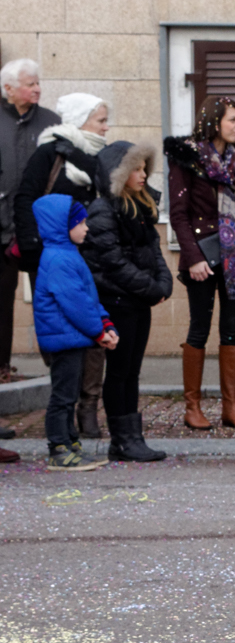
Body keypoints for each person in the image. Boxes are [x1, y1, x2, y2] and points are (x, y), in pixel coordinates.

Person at [164, 97, 235, 432]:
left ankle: (231, 407)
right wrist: (193, 258)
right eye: (232, 120)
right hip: (202, 258)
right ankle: (193, 407)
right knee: (199, 329)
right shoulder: (186, 159)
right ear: (214, 121)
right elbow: (178, 215)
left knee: (232, 330)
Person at [15, 92, 113, 438]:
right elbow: (26, 198)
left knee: (92, 328)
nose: (106, 125)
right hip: (52, 257)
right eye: (100, 119)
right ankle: (64, 406)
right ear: (79, 119)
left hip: (92, 255)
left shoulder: (101, 155)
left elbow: (109, 197)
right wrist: (37, 250)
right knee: (59, 333)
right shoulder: (51, 151)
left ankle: (88, 409)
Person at [82, 143, 171, 462]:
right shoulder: (103, 210)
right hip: (117, 301)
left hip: (137, 300)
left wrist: (163, 284)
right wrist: (150, 288)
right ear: (118, 175)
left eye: (144, 168)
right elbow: (113, 262)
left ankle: (131, 437)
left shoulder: (141, 205)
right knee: (120, 372)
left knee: (131, 371)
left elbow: (154, 251)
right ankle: (122, 439)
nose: (143, 174)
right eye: (136, 169)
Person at [31, 193, 117, 468]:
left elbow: (88, 297)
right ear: (61, 226)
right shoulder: (59, 258)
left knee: (69, 394)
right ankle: (59, 448)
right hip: (63, 338)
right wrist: (98, 331)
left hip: (72, 337)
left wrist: (105, 324)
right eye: (80, 223)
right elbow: (75, 304)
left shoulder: (68, 254)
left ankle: (70, 444)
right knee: (63, 396)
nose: (86, 228)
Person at [1, 58, 59, 381]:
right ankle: (1, 368)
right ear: (8, 89)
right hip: (2, 229)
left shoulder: (52, 122)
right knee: (1, 302)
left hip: (43, 229)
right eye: (29, 83)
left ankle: (57, 366)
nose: (37, 89)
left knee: (48, 300)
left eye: (38, 83)